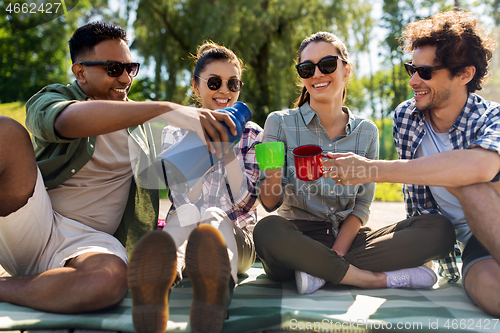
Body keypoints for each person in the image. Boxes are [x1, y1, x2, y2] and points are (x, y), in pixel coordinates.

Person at [0, 21, 236, 315]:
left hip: (90, 244)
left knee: (110, 282)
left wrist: (213, 147)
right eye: (114, 69)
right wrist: (167, 109)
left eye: (130, 68)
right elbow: (64, 123)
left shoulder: (140, 128)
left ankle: (10, 287)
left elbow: (168, 177)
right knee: (5, 131)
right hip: (35, 222)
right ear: (80, 72)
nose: (125, 78)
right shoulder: (53, 98)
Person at [324, 10, 500, 316]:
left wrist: (371, 169)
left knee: (470, 187)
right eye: (411, 69)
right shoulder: (407, 117)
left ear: (464, 74)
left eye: (426, 72)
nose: (413, 80)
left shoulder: (492, 118)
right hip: (474, 245)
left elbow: (479, 168)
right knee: (490, 292)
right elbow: (418, 204)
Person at [253, 31, 456, 296]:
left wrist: (337, 252)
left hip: (348, 240)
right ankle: (374, 279)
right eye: (306, 68)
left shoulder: (366, 131)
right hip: (297, 237)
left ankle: (320, 272)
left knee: (439, 230)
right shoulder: (279, 122)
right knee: (267, 231)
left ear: (346, 68)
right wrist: (272, 174)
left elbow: (361, 206)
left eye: (326, 65)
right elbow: (269, 205)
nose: (316, 74)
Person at [128, 43, 262, 333]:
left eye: (233, 83)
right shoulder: (174, 132)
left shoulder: (252, 133)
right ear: (195, 85)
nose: (224, 91)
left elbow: (245, 202)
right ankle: (162, 276)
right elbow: (182, 196)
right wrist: (203, 148)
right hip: (186, 230)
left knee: (213, 215)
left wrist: (227, 152)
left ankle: (217, 292)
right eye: (214, 82)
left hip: (237, 240)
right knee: (185, 214)